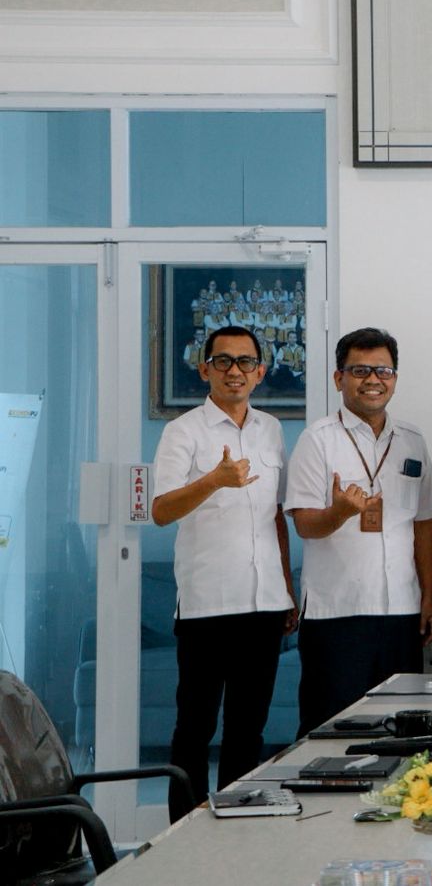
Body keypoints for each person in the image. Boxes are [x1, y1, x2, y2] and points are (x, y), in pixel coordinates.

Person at [150, 326, 297, 819]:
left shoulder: (271, 430)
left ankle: (237, 825)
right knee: (194, 728)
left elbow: (275, 515)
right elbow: (161, 510)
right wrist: (214, 479)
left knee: (248, 728)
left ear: (260, 371)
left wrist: (288, 590)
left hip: (265, 603)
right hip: (207, 604)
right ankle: (182, 834)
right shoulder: (184, 431)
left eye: (245, 362)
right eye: (223, 361)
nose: (234, 370)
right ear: (204, 368)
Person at [285, 328, 432, 736]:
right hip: (338, 615)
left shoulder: (411, 440)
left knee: (403, 730)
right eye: (359, 370)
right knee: (332, 731)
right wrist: (338, 512)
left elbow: (424, 523)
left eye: (383, 370)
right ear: (339, 379)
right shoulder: (317, 441)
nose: (373, 379)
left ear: (394, 378)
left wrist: (428, 596)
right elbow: (304, 523)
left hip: (401, 614)